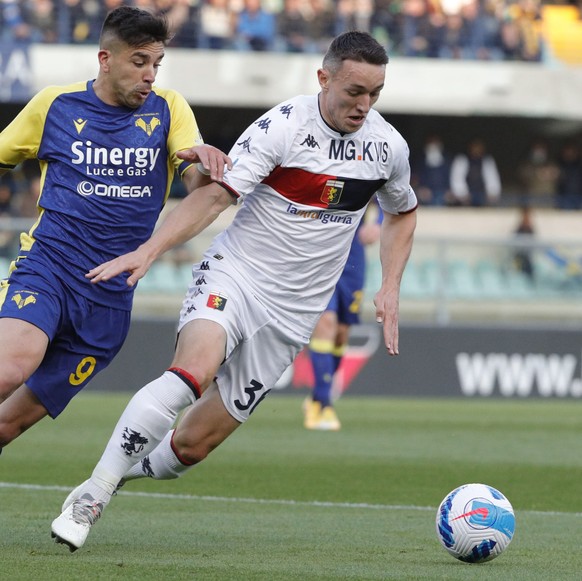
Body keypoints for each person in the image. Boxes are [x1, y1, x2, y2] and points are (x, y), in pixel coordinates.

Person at [50, 30, 418, 551]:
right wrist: (150, 250)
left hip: (293, 316)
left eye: (374, 93)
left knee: (192, 448)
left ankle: (112, 474)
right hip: (237, 277)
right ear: (324, 77)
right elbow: (216, 197)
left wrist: (390, 286)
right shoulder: (282, 128)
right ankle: (95, 496)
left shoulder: (387, 147)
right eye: (353, 91)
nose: (363, 105)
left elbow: (402, 213)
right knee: (190, 373)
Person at [0, 6, 230, 454]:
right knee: (10, 367)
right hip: (48, 270)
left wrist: (205, 167)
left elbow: (196, 185)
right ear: (106, 59)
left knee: (6, 426)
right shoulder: (55, 105)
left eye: (156, 64)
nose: (150, 75)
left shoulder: (170, 110)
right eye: (139, 62)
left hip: (108, 305)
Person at [303, 202, 382, 431]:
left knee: (341, 334)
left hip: (353, 260)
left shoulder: (366, 167)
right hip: (318, 255)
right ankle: (323, 403)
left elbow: (390, 200)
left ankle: (319, 396)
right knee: (326, 323)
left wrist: (377, 225)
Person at [450, 138, 501, 207]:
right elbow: (457, 178)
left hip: (481, 194)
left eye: (479, 147)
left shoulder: (487, 161)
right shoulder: (462, 159)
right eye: (475, 147)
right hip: (466, 195)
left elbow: (492, 178)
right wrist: (462, 194)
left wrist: (492, 192)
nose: (477, 149)